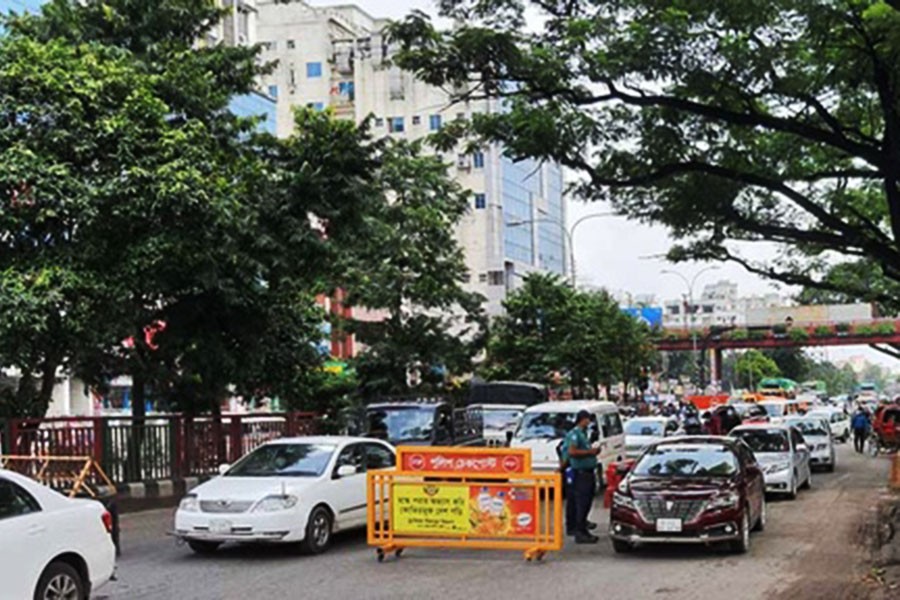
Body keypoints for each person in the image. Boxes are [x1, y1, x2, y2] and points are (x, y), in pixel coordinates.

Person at [565, 410, 601, 543]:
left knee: (585, 502)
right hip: (580, 473)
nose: (589, 422)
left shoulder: (583, 434)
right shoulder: (575, 434)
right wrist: (590, 452)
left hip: (587, 472)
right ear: (583, 419)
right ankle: (580, 531)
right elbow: (572, 451)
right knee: (582, 503)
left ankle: (582, 528)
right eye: (588, 419)